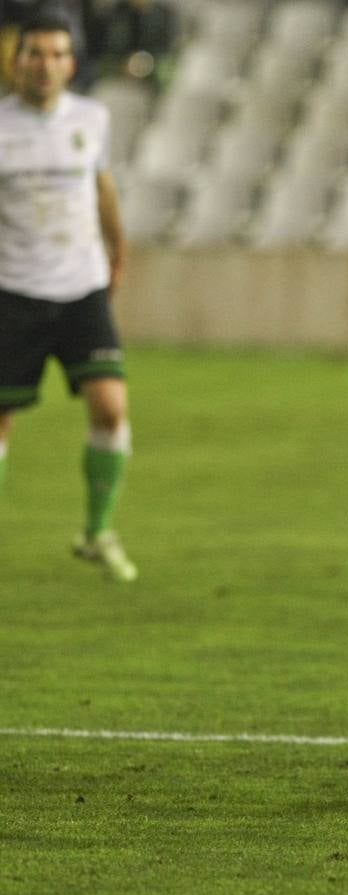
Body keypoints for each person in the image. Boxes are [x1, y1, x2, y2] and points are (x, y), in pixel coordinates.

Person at [0, 12, 136, 582]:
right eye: (36, 53)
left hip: (81, 287)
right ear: (17, 61)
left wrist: (118, 252)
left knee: (111, 406)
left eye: (57, 54)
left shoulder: (92, 118)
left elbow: (102, 189)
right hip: (14, 290)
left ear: (71, 64)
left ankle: (96, 530)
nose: (46, 64)